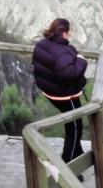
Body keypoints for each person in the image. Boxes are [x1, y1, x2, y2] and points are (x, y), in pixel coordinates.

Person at [32, 18, 88, 170]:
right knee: (75, 127)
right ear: (65, 33)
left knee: (74, 123)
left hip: (50, 92)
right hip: (64, 95)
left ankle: (79, 154)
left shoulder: (41, 44)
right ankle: (68, 167)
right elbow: (68, 74)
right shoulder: (65, 51)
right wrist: (81, 60)